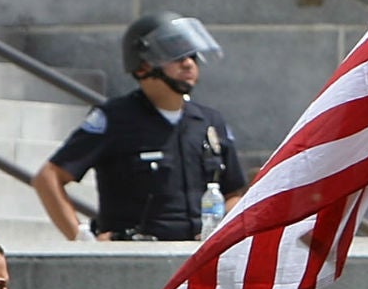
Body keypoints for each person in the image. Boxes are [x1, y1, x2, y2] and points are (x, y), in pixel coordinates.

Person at [33, 12, 248, 242]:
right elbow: (48, 178)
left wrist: (223, 229)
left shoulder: (210, 122)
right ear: (143, 67)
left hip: (197, 257)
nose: (188, 63)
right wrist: (81, 238)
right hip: (134, 255)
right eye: (175, 55)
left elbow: (232, 193)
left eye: (192, 55)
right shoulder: (115, 119)